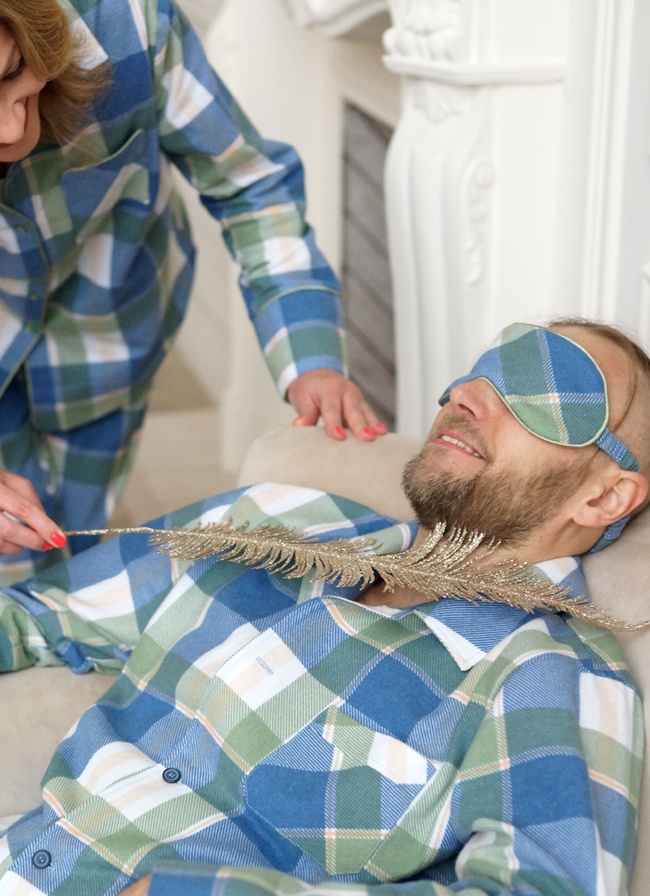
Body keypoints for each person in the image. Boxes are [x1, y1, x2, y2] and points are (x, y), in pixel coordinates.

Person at [0, 318, 647, 896]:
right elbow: (35, 617)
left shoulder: (548, 675)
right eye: (484, 369)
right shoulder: (277, 522)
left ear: (604, 498)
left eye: (547, 390)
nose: (463, 395)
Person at [0, 0, 386, 586]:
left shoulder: (129, 23)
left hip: (110, 336)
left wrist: (309, 358)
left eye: (10, 75)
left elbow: (250, 186)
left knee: (64, 561)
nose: (11, 130)